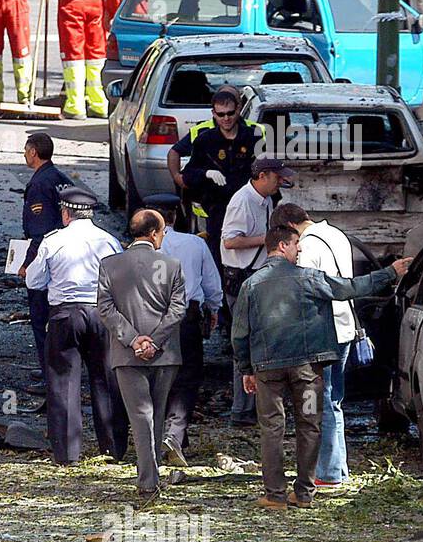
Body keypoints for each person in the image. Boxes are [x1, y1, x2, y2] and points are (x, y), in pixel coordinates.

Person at [233, 226, 409, 510]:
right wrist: (389, 273)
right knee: (309, 424)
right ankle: (304, 493)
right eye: (295, 245)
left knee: (272, 429)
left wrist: (245, 369)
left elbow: (239, 333)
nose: (300, 250)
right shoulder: (309, 279)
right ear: (281, 246)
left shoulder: (251, 285)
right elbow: (349, 288)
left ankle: (275, 495)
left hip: (268, 371)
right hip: (307, 370)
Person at [26, 184, 129, 464]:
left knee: (63, 382)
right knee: (106, 380)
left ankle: (67, 453)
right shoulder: (108, 241)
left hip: (64, 314)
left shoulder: (53, 241)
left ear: (66, 213)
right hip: (101, 313)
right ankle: (113, 449)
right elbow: (119, 279)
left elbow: (33, 281)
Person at [97, 209, 185, 499]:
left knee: (140, 415)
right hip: (165, 354)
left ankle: (148, 479)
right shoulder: (171, 265)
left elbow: (105, 308)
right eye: (162, 232)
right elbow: (178, 309)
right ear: (153, 233)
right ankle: (151, 474)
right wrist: (155, 341)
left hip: (127, 353)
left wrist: (134, 340)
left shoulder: (110, 266)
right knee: (155, 414)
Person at [271, 203, 358, 488]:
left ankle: (328, 472)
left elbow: (302, 290)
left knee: (322, 402)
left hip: (323, 331)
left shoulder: (308, 247)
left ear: (289, 227)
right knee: (334, 401)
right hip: (344, 326)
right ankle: (338, 468)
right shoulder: (336, 234)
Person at [143, 193, 222, 463]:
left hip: (150, 317)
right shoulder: (194, 244)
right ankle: (175, 434)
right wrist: (213, 309)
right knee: (187, 376)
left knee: (156, 374)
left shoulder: (139, 250)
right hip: (186, 317)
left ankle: (162, 434)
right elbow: (212, 283)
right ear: (176, 215)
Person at [220, 158, 291, 425]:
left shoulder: (267, 199)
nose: (281, 182)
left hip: (257, 275)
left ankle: (253, 407)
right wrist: (267, 239)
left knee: (259, 343)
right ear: (262, 176)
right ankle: (241, 411)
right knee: (244, 345)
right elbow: (230, 240)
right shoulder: (242, 201)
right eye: (277, 177)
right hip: (240, 279)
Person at [167, 88, 264, 267]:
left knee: (251, 257)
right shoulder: (205, 140)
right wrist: (205, 174)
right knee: (218, 257)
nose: (226, 119)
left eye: (230, 113)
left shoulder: (253, 136)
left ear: (238, 110)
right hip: (217, 209)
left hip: (249, 208)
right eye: (220, 115)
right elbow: (187, 172)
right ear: (214, 113)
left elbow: (266, 169)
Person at [21, 132, 75, 377]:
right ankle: (60, 368)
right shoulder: (61, 178)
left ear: (33, 152)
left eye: (25, 150)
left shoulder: (40, 185)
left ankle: (50, 373)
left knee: (41, 318)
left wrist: (27, 263)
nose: (24, 154)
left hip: (48, 257)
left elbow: (40, 230)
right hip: (68, 254)